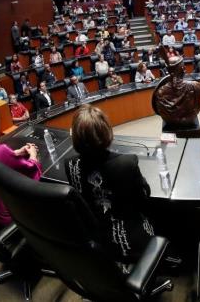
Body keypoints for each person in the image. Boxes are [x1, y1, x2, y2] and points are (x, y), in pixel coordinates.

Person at [64, 105, 154, 262]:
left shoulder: (71, 164)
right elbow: (144, 198)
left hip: (97, 237)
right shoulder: (127, 163)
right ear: (106, 132)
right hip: (130, 238)